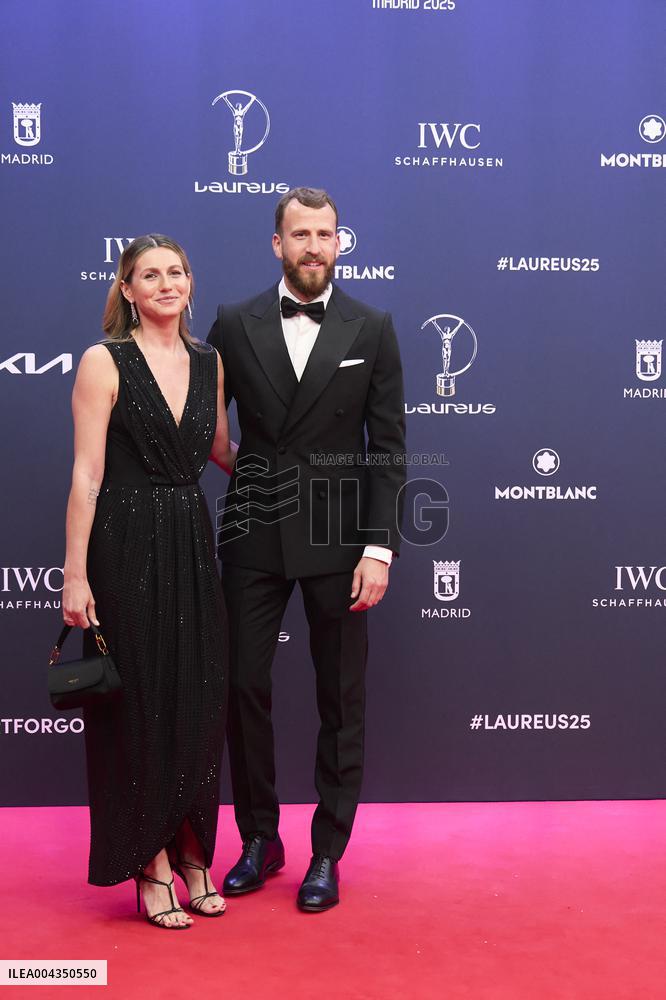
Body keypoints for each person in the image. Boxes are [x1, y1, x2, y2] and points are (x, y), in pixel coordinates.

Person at [208, 187, 406, 912]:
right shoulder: (233, 321)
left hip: (340, 536)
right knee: (240, 685)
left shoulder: (372, 325)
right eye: (300, 234)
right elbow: (209, 420)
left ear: (340, 242)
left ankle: (328, 850)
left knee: (340, 697)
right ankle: (259, 838)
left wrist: (379, 549)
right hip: (255, 528)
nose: (314, 246)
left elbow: (387, 450)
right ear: (277, 244)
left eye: (326, 233)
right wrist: (255, 471)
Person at [63, 234, 236, 929]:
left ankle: (193, 851)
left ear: (190, 283)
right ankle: (149, 863)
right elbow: (86, 474)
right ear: (127, 290)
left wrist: (308, 479)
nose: (166, 284)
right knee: (136, 704)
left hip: (191, 539)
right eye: (150, 275)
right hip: (124, 541)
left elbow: (223, 452)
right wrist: (75, 574)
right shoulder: (104, 361)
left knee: (196, 699)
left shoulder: (209, 361)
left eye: (177, 272)